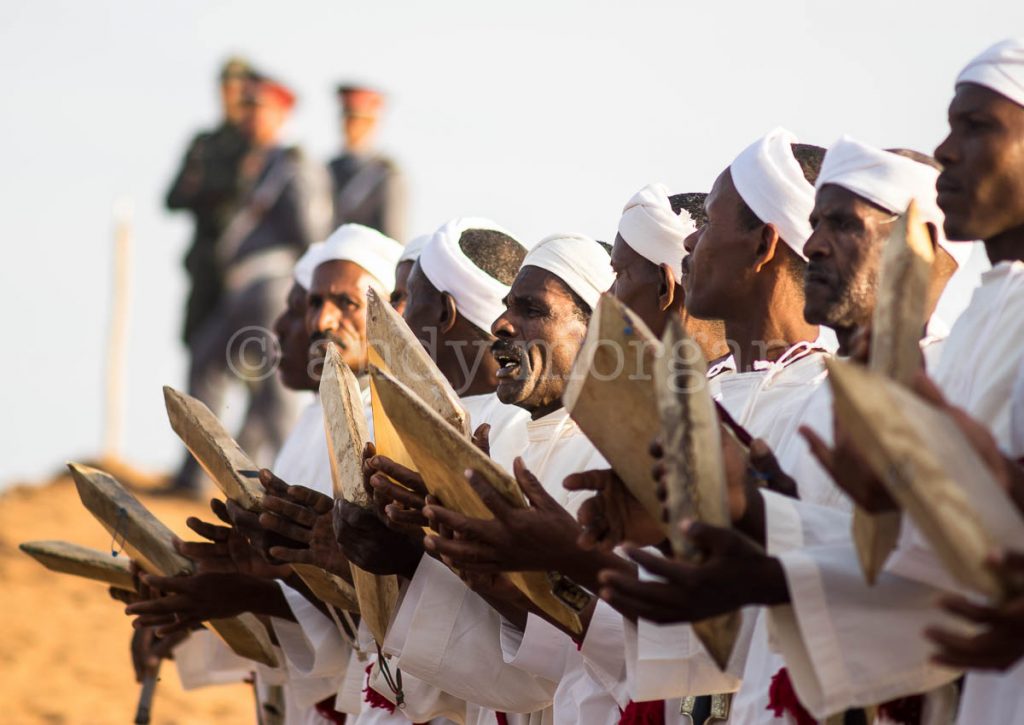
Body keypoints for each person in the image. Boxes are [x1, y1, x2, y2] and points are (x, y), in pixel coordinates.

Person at [170, 74, 332, 493]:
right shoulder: (259, 163)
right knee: (206, 363)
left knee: (274, 386)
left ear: (280, 115)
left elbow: (311, 231)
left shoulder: (293, 164)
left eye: (259, 110)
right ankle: (201, 472)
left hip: (270, 285)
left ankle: (296, 478)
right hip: (242, 287)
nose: (250, 119)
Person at [166, 57, 255, 347]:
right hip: (206, 261)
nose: (231, 96)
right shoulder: (204, 143)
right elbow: (173, 198)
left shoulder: (255, 147)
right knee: (199, 347)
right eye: (226, 88)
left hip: (242, 263)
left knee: (249, 350)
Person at [328, 85, 405, 239]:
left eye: (356, 120)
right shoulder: (330, 167)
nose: (348, 127)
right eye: (346, 119)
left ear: (372, 124)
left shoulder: (386, 174)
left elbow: (393, 234)